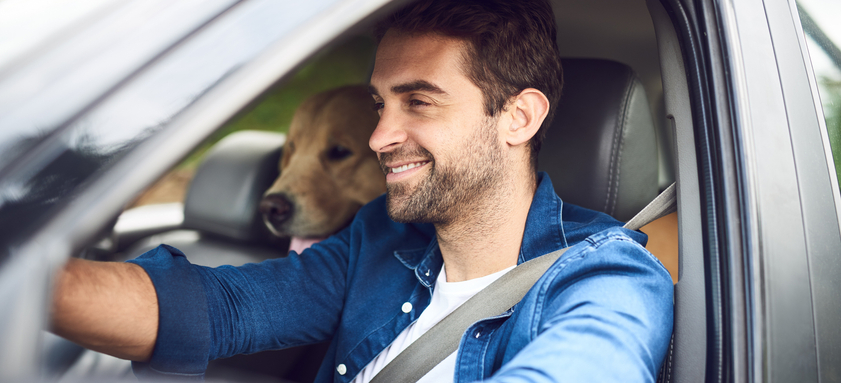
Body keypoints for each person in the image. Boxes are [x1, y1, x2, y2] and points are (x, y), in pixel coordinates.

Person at [51, 0, 674, 381]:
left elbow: (588, 364)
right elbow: (218, 308)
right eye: (380, 104)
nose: (379, 136)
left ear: (519, 118)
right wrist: (35, 288)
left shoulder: (608, 275)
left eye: (418, 102)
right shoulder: (378, 237)